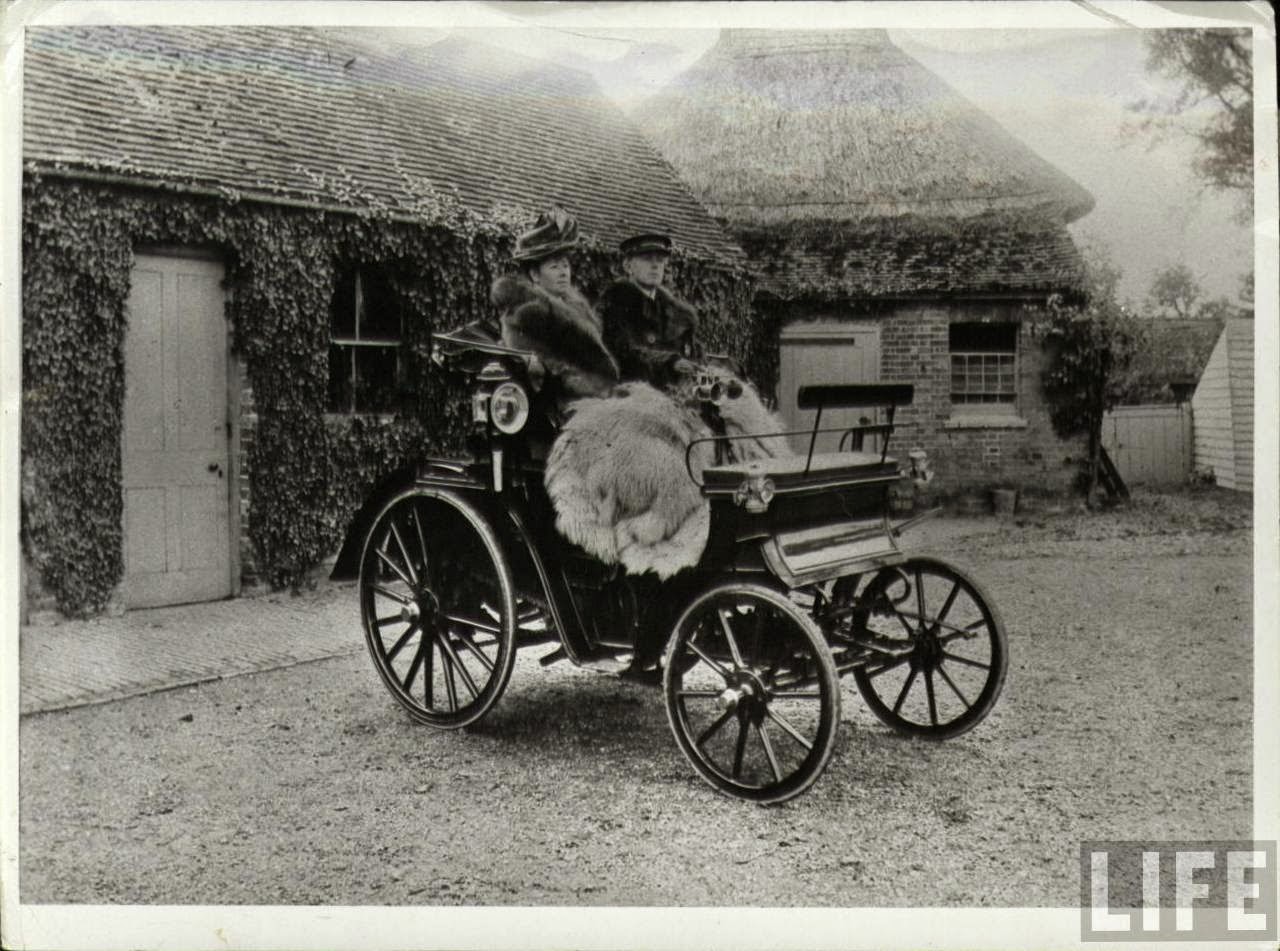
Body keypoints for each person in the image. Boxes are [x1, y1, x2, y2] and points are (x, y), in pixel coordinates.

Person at [490, 208, 619, 400]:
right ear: (535, 275)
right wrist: (596, 390)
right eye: (554, 266)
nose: (563, 272)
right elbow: (552, 370)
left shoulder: (578, 308)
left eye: (565, 265)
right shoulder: (524, 316)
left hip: (597, 399)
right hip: (558, 407)